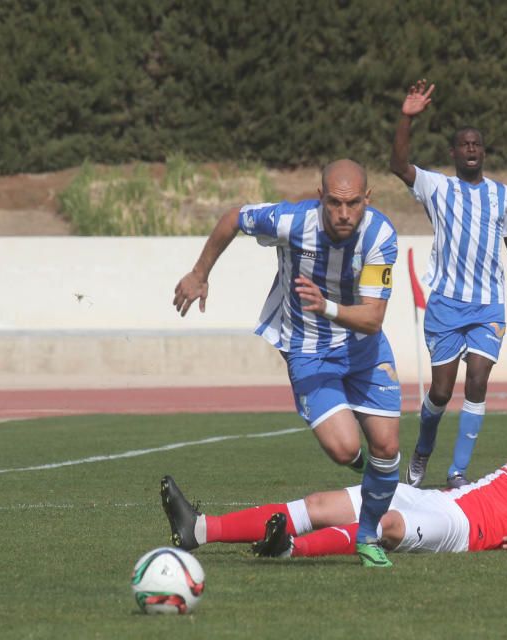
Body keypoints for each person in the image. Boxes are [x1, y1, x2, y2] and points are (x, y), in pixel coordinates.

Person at [169, 159, 402, 567]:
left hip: (365, 350)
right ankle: (358, 466)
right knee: (345, 448)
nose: (344, 214)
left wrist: (325, 305)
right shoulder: (291, 222)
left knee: (387, 446)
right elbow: (233, 219)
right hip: (309, 351)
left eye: (352, 204)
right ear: (320, 198)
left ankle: (367, 538)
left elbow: (372, 318)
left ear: (368, 199)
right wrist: (199, 272)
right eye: (334, 203)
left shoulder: (380, 234)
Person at [160, 379, 507, 560]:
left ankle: (290, 550)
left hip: (464, 531)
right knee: (323, 502)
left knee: (386, 525)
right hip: (442, 501)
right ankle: (200, 528)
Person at [389, 79, 507, 489]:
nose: (471, 149)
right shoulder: (437, 187)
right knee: (440, 392)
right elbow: (399, 165)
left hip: (489, 304)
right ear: (454, 153)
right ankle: (422, 451)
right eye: (464, 144)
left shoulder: (503, 195)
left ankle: (458, 472)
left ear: (483, 152)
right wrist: (406, 118)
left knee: (477, 380)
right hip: (446, 303)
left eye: (477, 144)